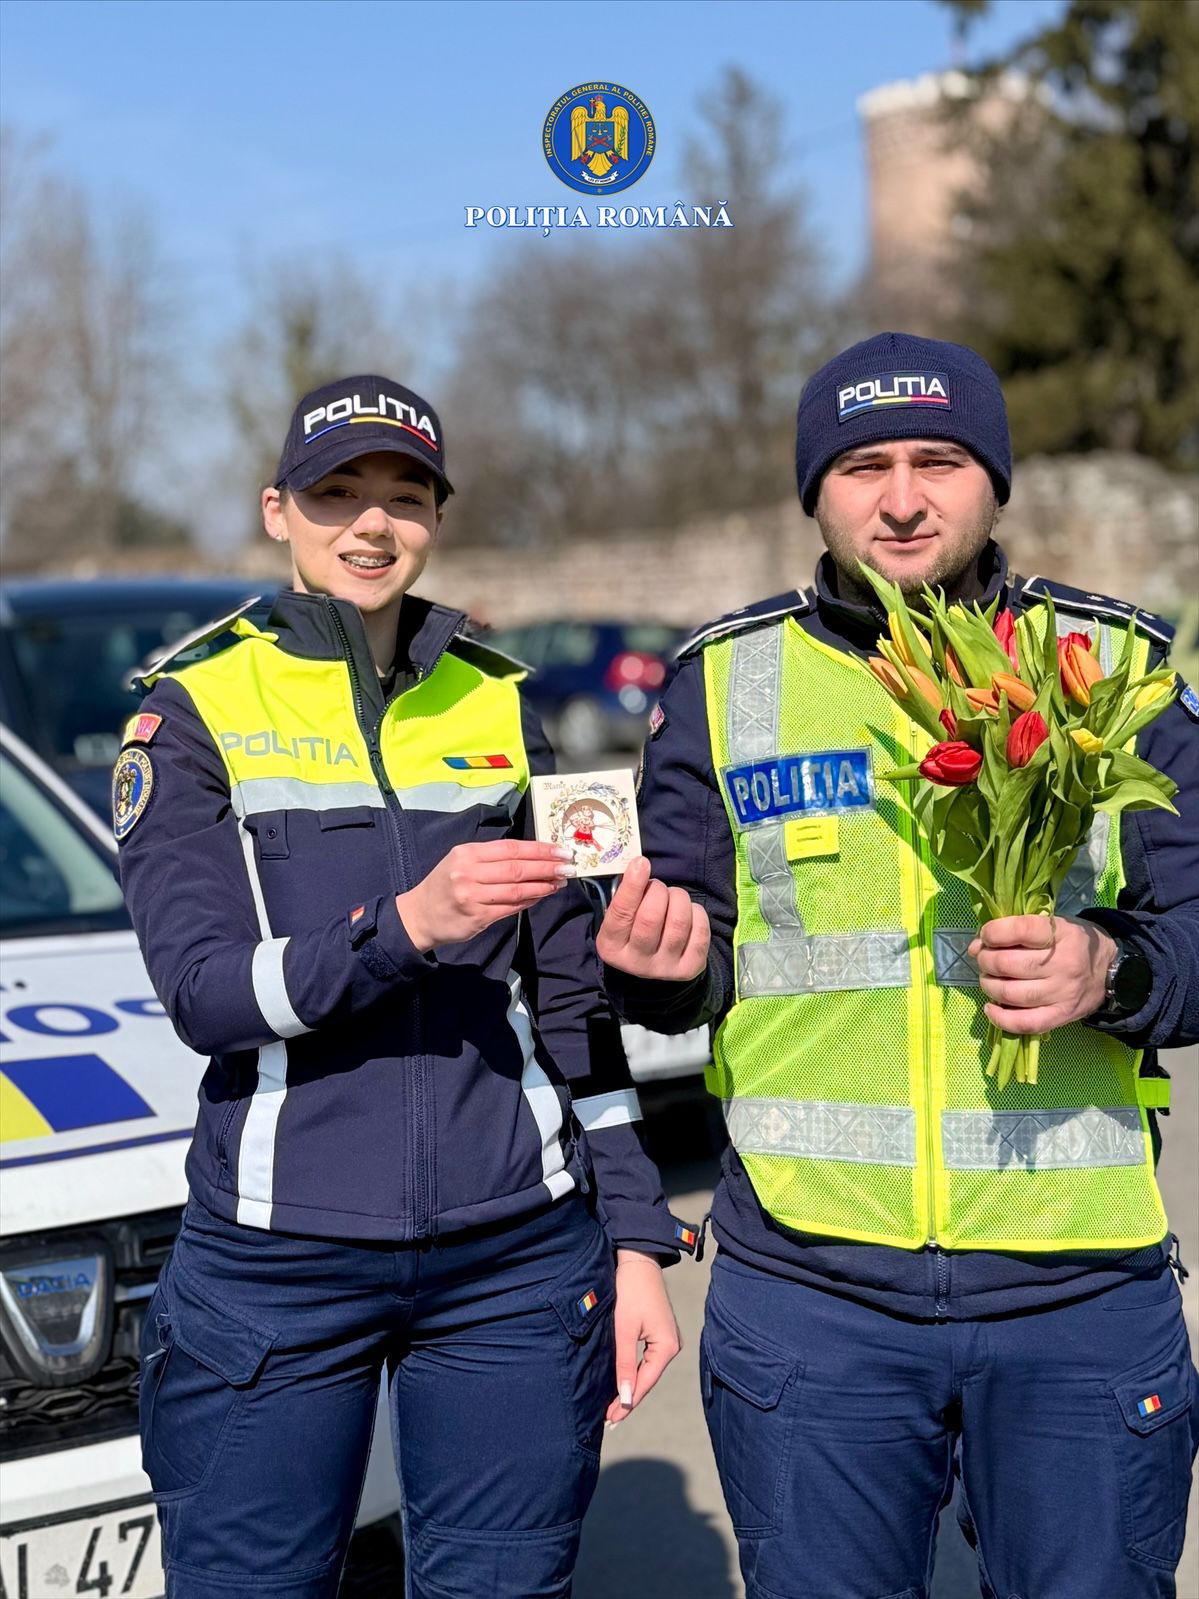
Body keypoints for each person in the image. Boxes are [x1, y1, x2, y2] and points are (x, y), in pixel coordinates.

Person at [598, 333, 1199, 1599]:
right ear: (812, 493)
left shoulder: (1117, 665)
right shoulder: (721, 681)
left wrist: (1111, 972)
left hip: (1075, 1292)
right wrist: (655, 974)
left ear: (994, 482)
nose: (903, 498)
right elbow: (692, 968)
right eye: (863, 466)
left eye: (939, 461)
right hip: (810, 1297)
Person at [115, 374, 688, 1599]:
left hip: (515, 1258)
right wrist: (403, 929)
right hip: (277, 1263)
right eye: (337, 493)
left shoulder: (498, 698)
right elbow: (206, 995)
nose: (371, 523)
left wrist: (637, 1235)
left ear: (435, 516)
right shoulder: (191, 707)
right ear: (278, 510)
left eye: (405, 495)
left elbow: (568, 998)